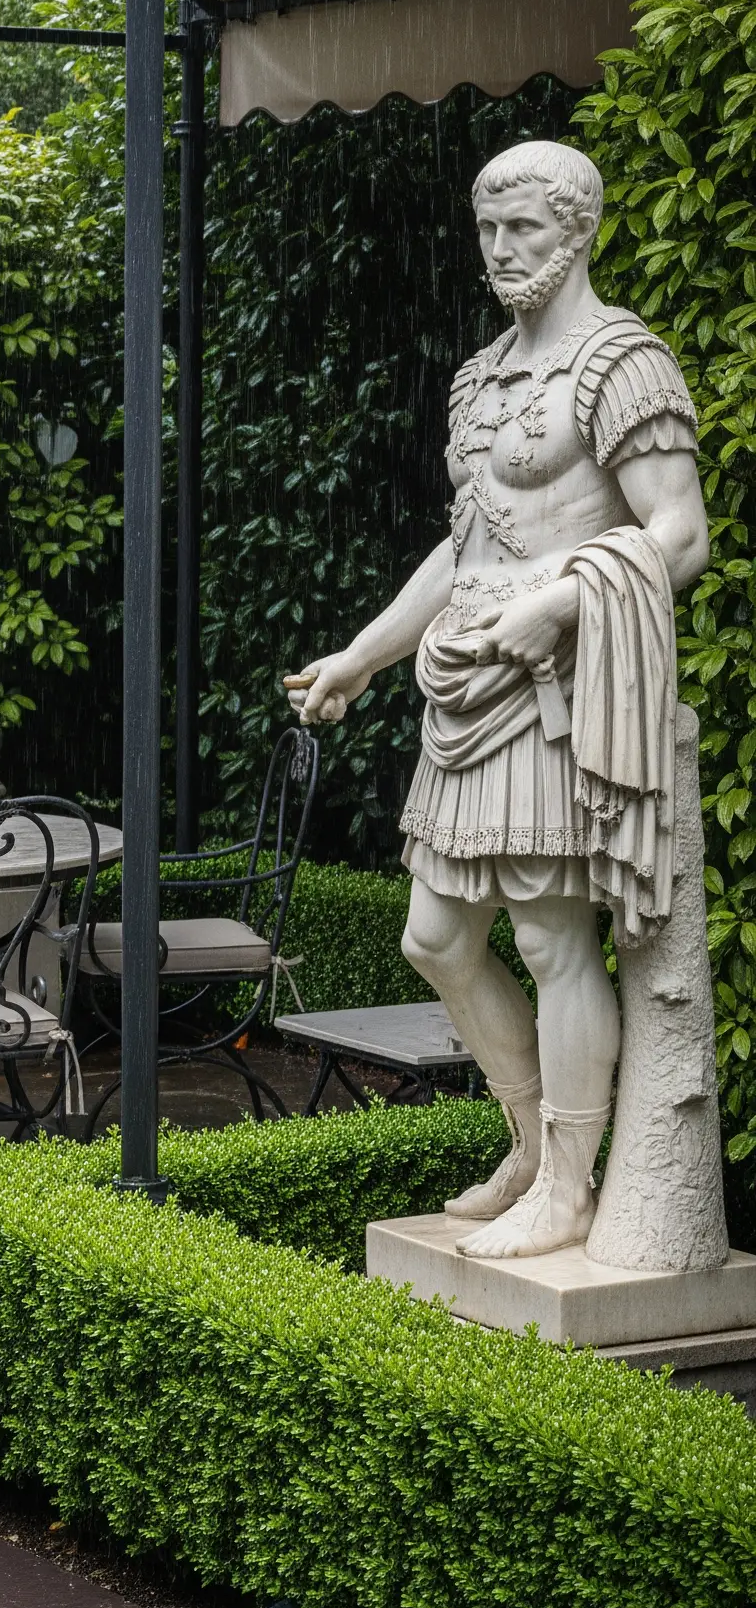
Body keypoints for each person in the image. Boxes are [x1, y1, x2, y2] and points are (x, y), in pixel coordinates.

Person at [285, 139, 709, 1260]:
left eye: (524, 227)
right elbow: (460, 546)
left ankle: (570, 1185)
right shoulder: (480, 376)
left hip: (551, 688)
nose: (500, 249)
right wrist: (363, 656)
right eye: (488, 228)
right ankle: (530, 1143)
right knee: (434, 936)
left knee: (552, 937)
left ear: (579, 230)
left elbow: (679, 531)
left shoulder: (624, 364)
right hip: (461, 687)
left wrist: (565, 605)